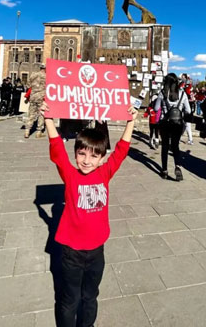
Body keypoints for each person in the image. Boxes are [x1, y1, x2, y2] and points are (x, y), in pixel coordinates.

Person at [41, 100, 136, 327]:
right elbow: (56, 147)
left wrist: (130, 121)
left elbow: (121, 150)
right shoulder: (71, 175)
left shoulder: (104, 173)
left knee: (90, 296)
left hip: (96, 251)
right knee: (69, 298)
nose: (86, 160)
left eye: (94, 156)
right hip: (71, 252)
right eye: (82, 154)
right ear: (75, 154)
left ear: (102, 158)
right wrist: (48, 119)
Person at [154, 73, 190, 181]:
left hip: (165, 123)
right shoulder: (183, 94)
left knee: (165, 146)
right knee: (175, 146)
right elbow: (188, 110)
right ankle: (177, 166)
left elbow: (156, 109)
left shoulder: (162, 93)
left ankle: (164, 170)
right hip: (178, 124)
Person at [24, 64, 47, 138]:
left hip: (33, 97)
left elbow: (28, 85)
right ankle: (39, 132)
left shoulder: (33, 75)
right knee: (41, 114)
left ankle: (27, 131)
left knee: (31, 114)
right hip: (42, 97)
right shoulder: (47, 76)